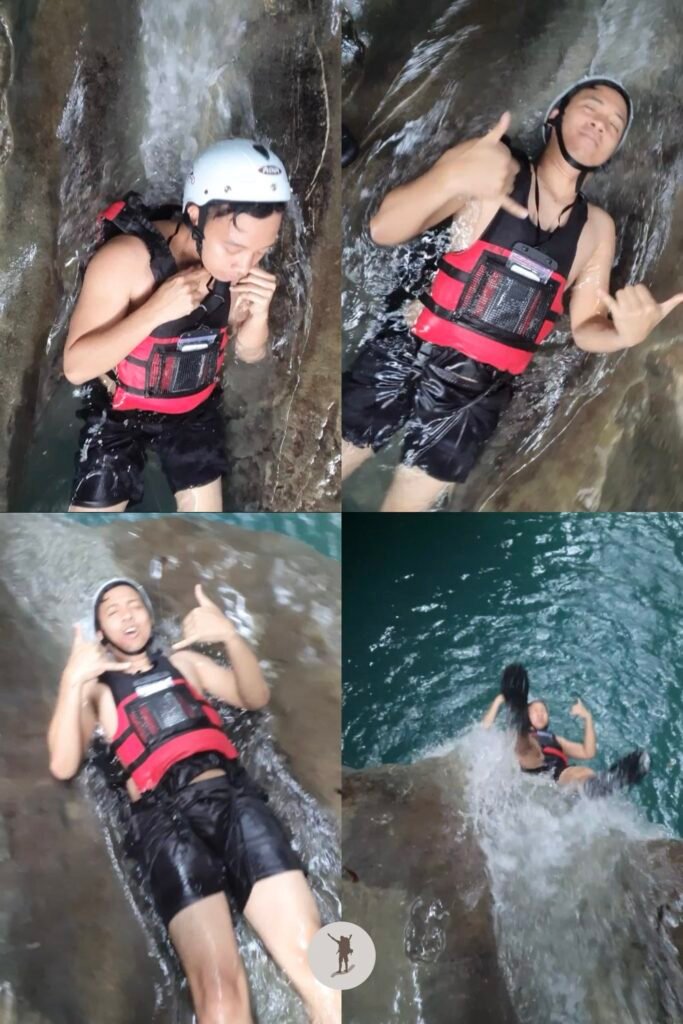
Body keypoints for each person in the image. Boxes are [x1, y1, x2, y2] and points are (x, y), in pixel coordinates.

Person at [342, 76, 683, 512]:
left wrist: (625, 335)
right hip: (409, 349)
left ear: (613, 149)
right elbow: (384, 229)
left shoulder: (597, 228)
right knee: (324, 479)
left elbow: (585, 328)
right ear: (555, 116)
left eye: (614, 124)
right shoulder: (492, 167)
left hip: (477, 395)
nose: (601, 124)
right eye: (591, 108)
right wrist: (449, 177)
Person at [47, 579, 339, 1024]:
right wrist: (71, 682)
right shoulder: (98, 690)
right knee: (220, 993)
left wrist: (229, 638)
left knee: (319, 960)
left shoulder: (184, 662)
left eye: (135, 606)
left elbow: (253, 696)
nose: (127, 615)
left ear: (149, 617)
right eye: (112, 610)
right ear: (100, 632)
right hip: (163, 824)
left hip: (232, 800)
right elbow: (64, 763)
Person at [65, 139, 290, 513]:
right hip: (119, 413)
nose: (245, 264)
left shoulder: (239, 272)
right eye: (234, 247)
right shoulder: (125, 261)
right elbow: (75, 368)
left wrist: (260, 314)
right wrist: (156, 309)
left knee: (205, 538)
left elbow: (250, 355)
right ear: (195, 215)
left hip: (193, 411)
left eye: (261, 250)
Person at [482, 663, 650, 797]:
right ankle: (515, 712)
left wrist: (588, 718)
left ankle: (606, 782)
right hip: (532, 766)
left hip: (558, 775)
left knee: (584, 772)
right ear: (527, 714)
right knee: (523, 744)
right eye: (535, 710)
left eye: (543, 711)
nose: (540, 713)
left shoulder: (556, 740)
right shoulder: (523, 737)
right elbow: (484, 731)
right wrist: (498, 701)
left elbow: (587, 752)